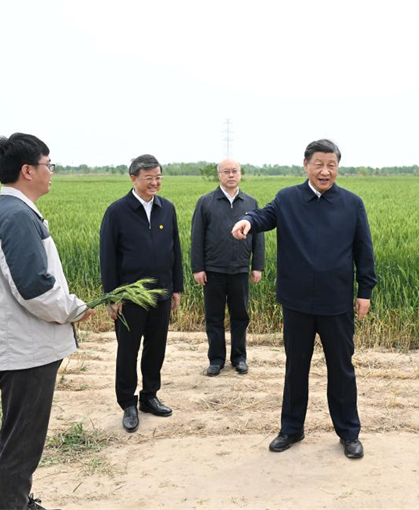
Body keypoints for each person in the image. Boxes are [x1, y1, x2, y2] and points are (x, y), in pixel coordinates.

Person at [231, 139, 376, 459]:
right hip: (296, 301)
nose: (325, 171)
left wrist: (365, 291)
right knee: (296, 367)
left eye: (332, 165)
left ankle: (349, 433)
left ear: (338, 167)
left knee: (341, 369)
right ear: (306, 165)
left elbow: (363, 251)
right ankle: (292, 428)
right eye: (319, 164)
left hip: (337, 302)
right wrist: (247, 222)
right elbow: (262, 216)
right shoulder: (288, 199)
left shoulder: (352, 204)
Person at [0, 133, 93, 510]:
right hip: (25, 350)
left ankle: (20, 500)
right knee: (22, 443)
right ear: (28, 170)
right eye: (49, 165)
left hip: (23, 346)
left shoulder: (11, 211)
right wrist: (76, 308)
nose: (52, 173)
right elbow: (35, 289)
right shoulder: (15, 216)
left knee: (22, 439)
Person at [100, 154, 183, 433]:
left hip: (161, 294)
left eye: (158, 177)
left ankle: (149, 396)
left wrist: (176, 288)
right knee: (128, 350)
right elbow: (108, 257)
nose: (155, 183)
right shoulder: (117, 212)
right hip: (130, 297)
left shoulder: (166, 209)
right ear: (134, 178)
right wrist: (113, 296)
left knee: (156, 348)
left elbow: (176, 251)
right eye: (149, 178)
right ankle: (128, 403)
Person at [191, 158, 264, 376]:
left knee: (240, 316)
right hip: (213, 270)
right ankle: (216, 360)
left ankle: (239, 358)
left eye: (234, 171)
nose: (231, 175)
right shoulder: (206, 202)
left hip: (240, 269)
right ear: (219, 175)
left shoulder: (250, 203)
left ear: (240, 174)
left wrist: (257, 266)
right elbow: (197, 238)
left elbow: (258, 237)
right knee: (214, 317)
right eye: (226, 172)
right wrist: (198, 268)